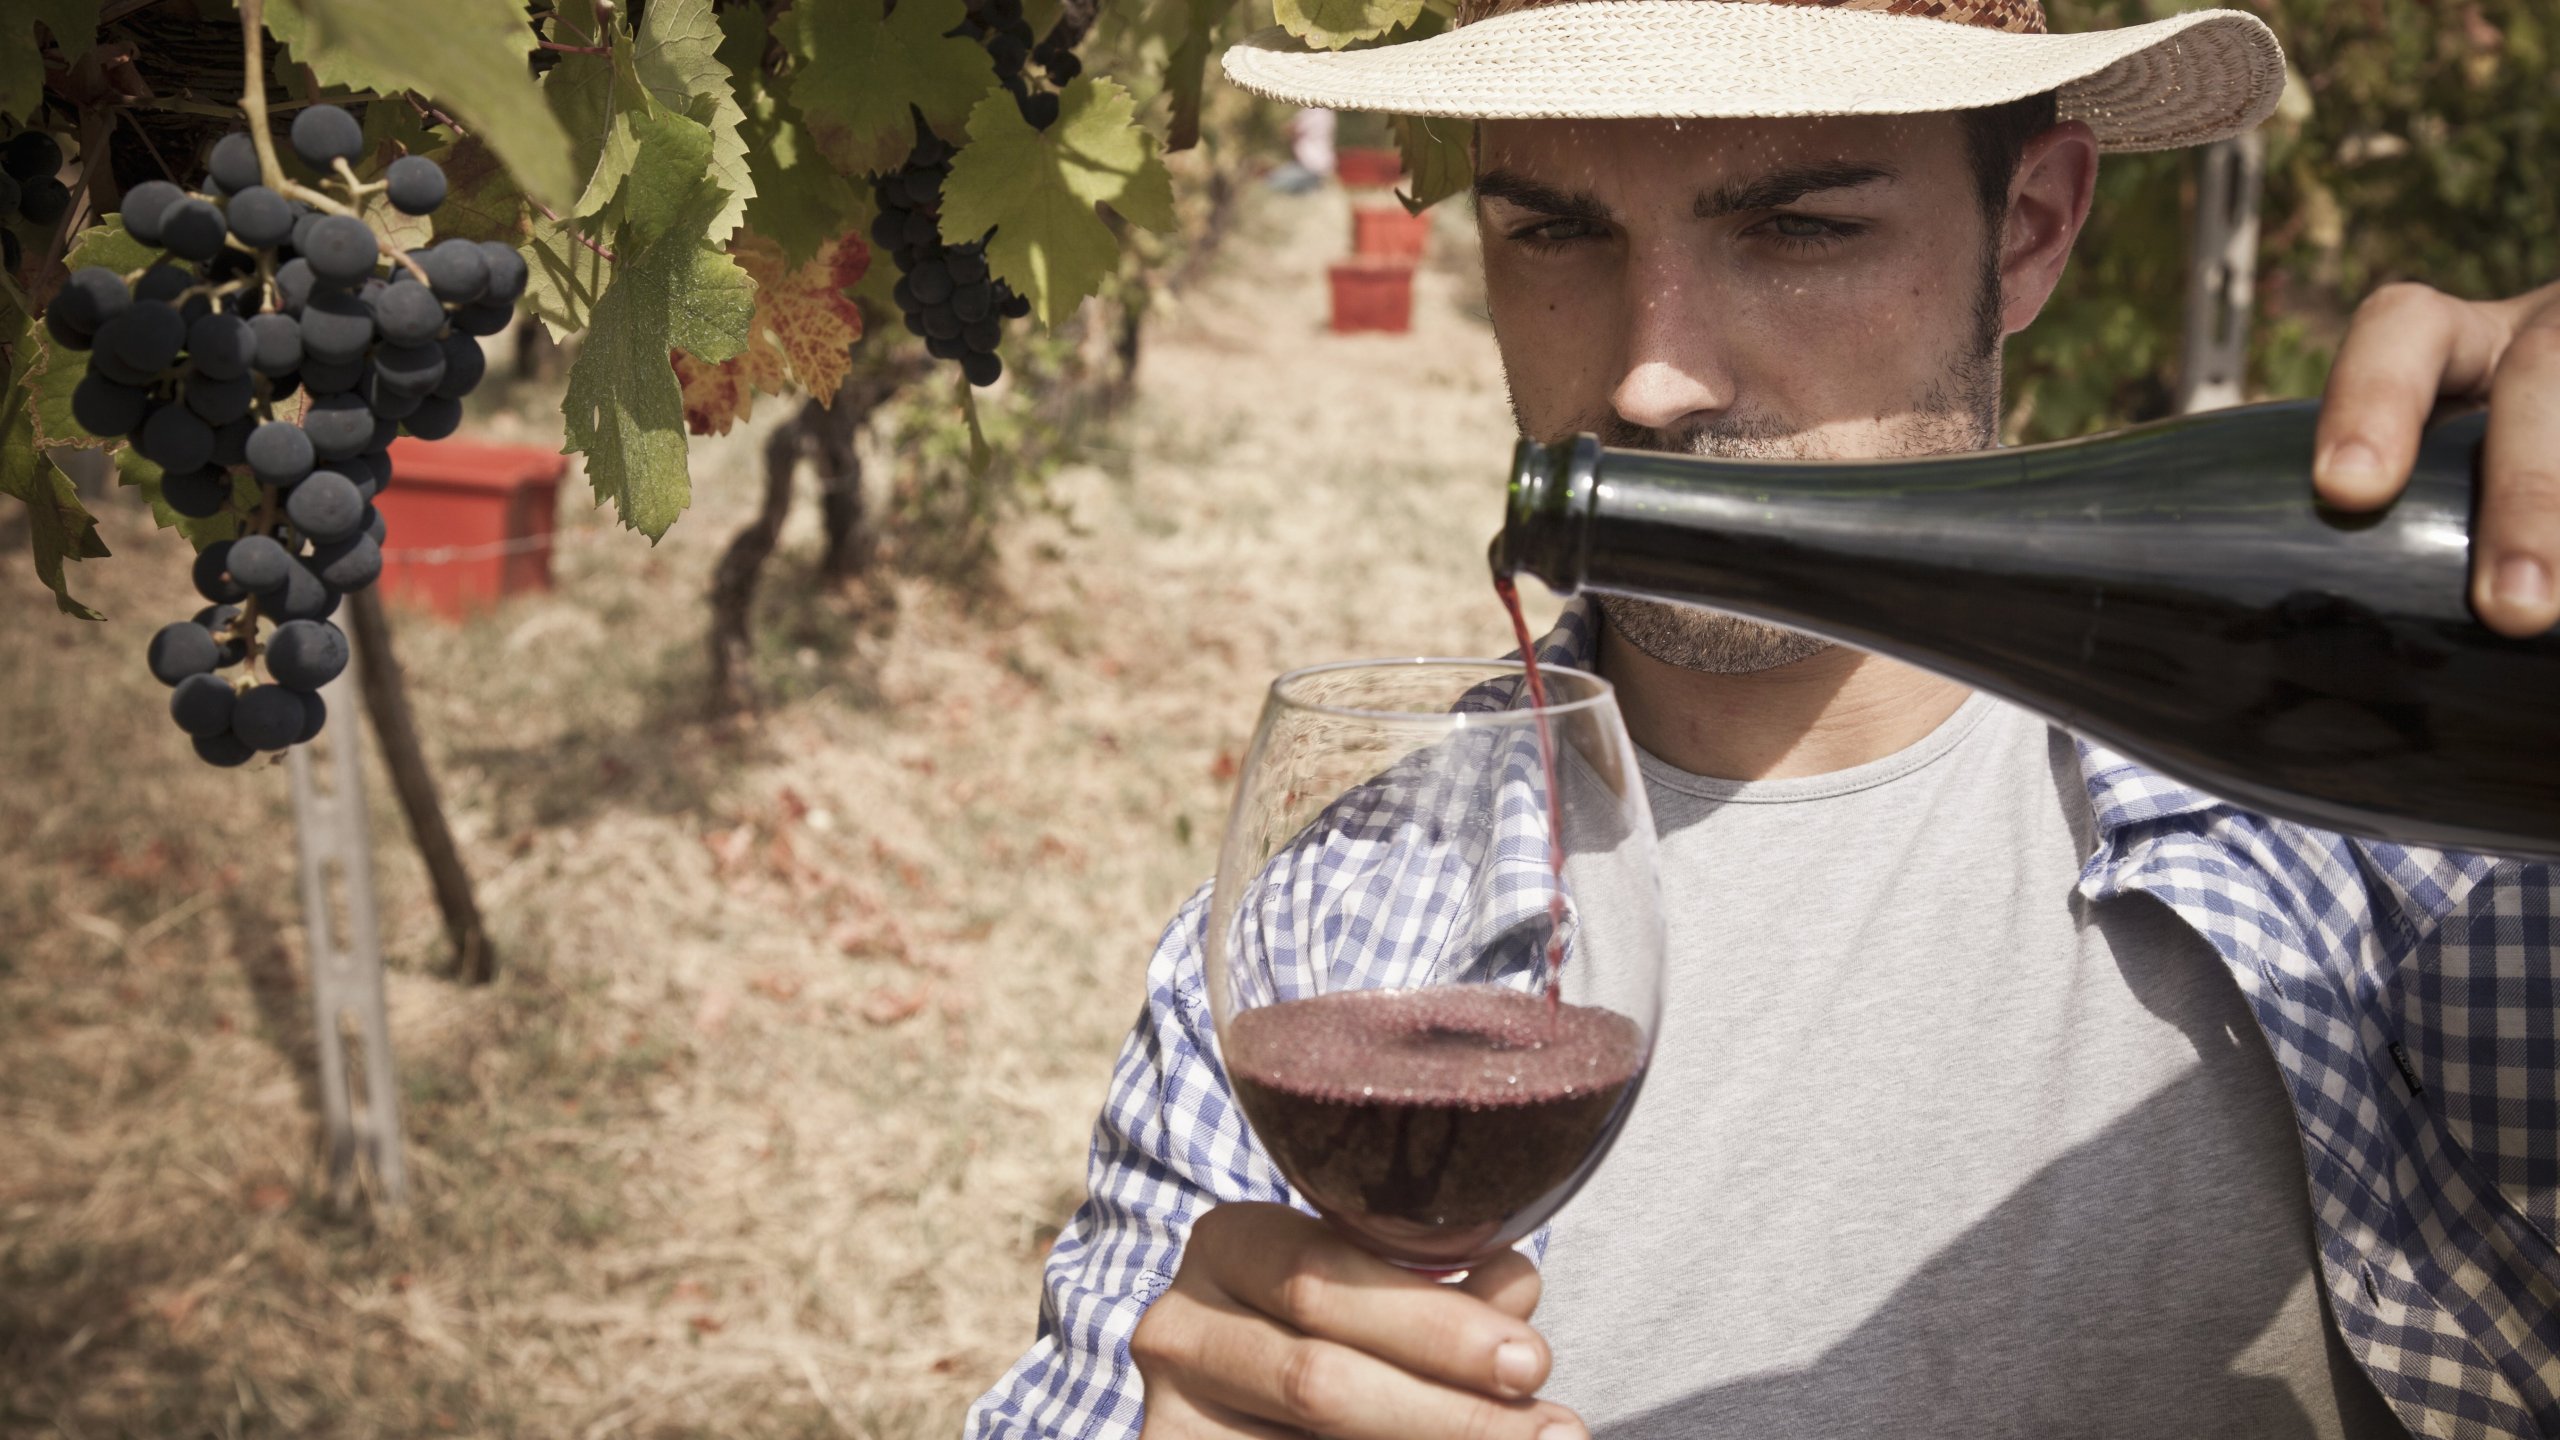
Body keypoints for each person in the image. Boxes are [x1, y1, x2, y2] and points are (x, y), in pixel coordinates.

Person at [968, 2, 2560, 1436]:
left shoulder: (2382, 816)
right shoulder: (1311, 941)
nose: (1655, 380)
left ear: (2031, 227)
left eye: (1797, 227)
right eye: (1552, 232)